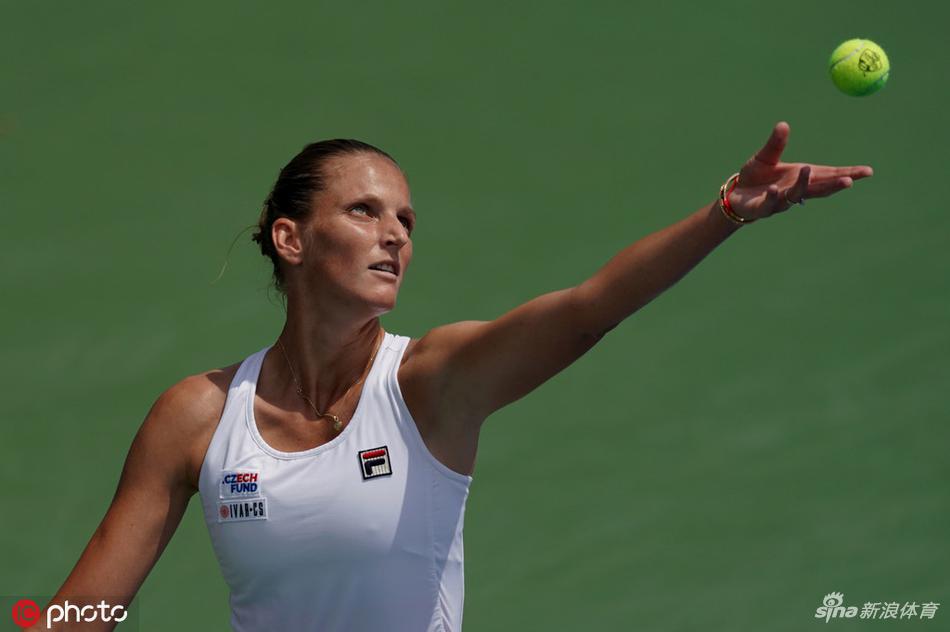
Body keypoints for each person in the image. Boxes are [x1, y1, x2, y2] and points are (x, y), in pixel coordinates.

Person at [36, 122, 872, 631]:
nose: (395, 234)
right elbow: (79, 614)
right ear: (291, 240)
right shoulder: (197, 416)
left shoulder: (429, 383)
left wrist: (724, 213)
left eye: (405, 219)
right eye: (364, 211)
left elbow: (588, 310)